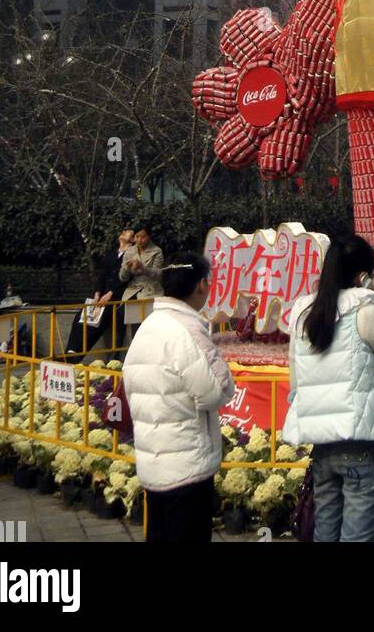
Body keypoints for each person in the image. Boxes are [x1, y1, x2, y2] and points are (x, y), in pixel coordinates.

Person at [281, 235, 374, 543]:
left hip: (321, 444)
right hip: (361, 442)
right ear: (364, 275)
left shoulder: (302, 312)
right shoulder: (366, 311)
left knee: (326, 534)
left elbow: (295, 378)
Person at [123, 254, 235, 543]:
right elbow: (216, 392)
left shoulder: (149, 326)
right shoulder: (188, 330)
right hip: (187, 465)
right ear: (200, 285)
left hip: (153, 463)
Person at [66, 228, 134, 359]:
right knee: (81, 317)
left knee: (97, 323)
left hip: (116, 298)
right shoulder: (111, 254)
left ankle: (77, 354)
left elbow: (125, 279)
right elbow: (101, 275)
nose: (123, 232)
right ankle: (70, 350)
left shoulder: (131, 255)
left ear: (132, 239)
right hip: (101, 296)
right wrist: (97, 293)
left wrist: (111, 293)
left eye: (128, 232)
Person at [120, 225, 164, 338]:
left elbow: (158, 274)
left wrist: (143, 269)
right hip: (133, 291)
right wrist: (127, 268)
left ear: (148, 237)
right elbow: (122, 277)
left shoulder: (156, 251)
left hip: (151, 290)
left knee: (150, 327)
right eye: (137, 237)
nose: (139, 240)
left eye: (143, 237)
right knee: (135, 328)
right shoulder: (129, 251)